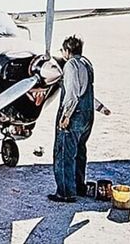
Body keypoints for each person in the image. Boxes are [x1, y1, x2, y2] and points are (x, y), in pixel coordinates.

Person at [48, 35, 94, 203]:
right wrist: (100, 108)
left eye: (63, 50)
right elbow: (86, 90)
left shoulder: (70, 66)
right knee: (80, 152)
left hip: (74, 116)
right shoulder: (87, 64)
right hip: (88, 116)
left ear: (67, 51)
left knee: (64, 154)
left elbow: (73, 94)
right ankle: (79, 186)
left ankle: (66, 192)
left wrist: (66, 116)